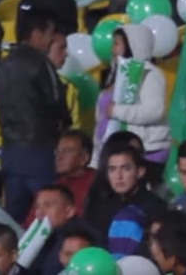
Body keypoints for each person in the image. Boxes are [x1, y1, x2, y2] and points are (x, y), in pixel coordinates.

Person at [0, 0, 72, 222]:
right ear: (38, 33)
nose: (50, 40)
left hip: (10, 153)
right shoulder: (41, 64)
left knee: (14, 219)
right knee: (50, 216)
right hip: (39, 153)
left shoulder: (3, 65)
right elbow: (59, 106)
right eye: (49, 33)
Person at [96, 25, 170, 171]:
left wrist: (117, 111)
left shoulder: (149, 73)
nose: (112, 50)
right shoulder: (113, 78)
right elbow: (101, 123)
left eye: (117, 43)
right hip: (113, 154)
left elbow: (155, 110)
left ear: (133, 44)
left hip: (146, 153)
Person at [86, 143, 167, 255]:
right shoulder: (105, 207)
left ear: (140, 172)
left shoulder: (156, 206)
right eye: (112, 169)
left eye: (126, 169)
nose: (118, 176)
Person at [28, 184, 96, 275]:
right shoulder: (45, 234)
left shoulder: (80, 236)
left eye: (48, 205)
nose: (40, 212)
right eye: (37, 206)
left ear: (69, 212)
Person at [53, 130, 97, 217]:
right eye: (57, 151)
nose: (59, 157)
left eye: (67, 151)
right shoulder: (57, 186)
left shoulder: (97, 184)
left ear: (84, 158)